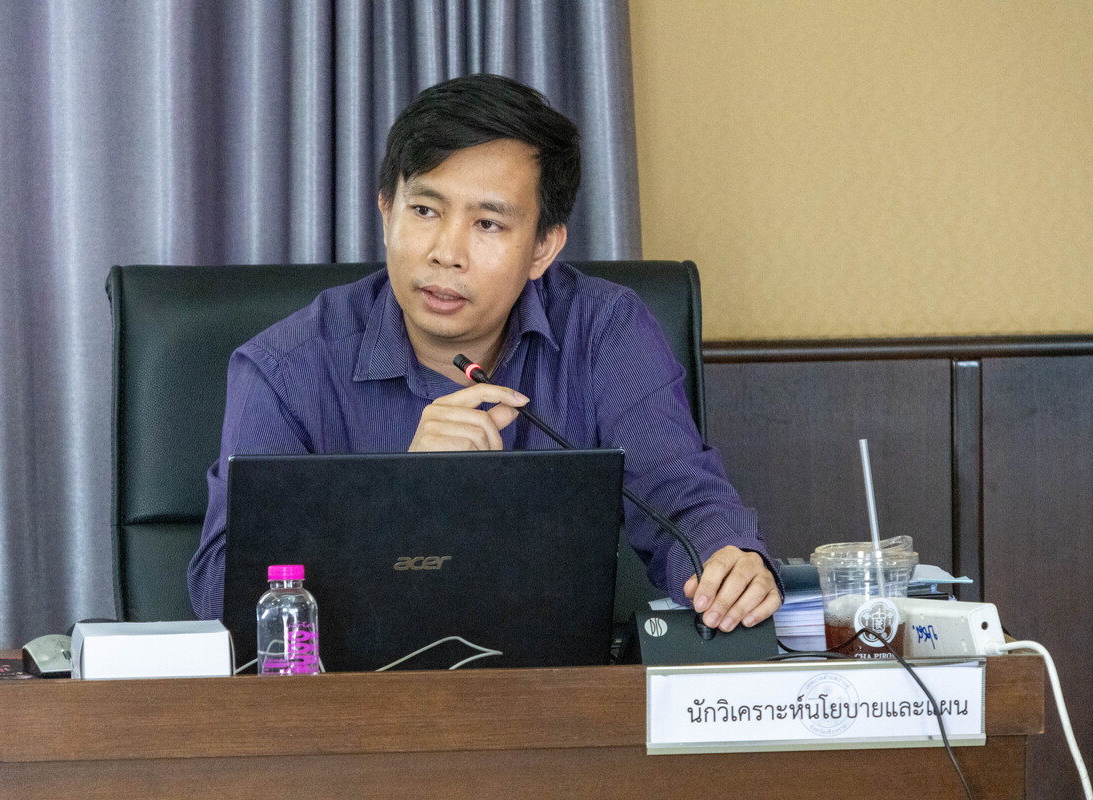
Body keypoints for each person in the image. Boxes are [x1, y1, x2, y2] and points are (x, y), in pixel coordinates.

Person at [189, 73, 781, 631]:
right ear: (386, 212)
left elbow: (679, 498)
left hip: (555, 691)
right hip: (350, 695)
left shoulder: (603, 331)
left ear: (543, 248)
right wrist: (399, 496)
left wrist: (724, 562)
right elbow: (223, 591)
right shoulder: (285, 368)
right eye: (425, 211)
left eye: (488, 224)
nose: (447, 252)